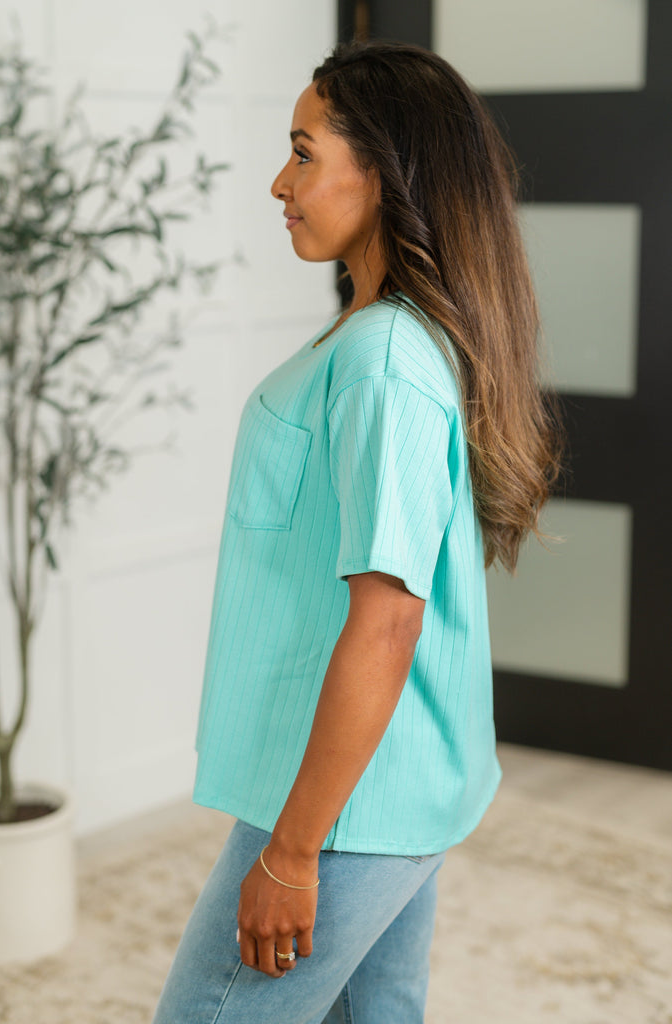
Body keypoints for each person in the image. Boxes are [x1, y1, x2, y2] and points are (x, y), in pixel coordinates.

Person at [151, 39, 560, 1024]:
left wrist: (290, 852)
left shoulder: (383, 360)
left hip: (346, 808)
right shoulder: (391, 337)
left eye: (304, 153)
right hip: (384, 787)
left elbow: (386, 623)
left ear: (384, 171)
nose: (280, 183)